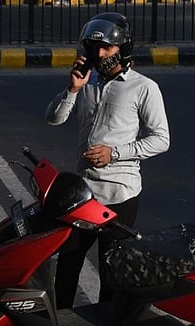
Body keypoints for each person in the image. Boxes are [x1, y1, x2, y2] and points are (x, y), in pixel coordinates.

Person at [45, 12, 169, 309]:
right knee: (68, 262)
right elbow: (53, 119)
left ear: (122, 49)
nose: (100, 54)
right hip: (84, 192)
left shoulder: (143, 87)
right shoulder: (86, 84)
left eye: (107, 49)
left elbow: (161, 139)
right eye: (95, 48)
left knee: (110, 270)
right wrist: (73, 89)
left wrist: (113, 153)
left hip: (120, 193)